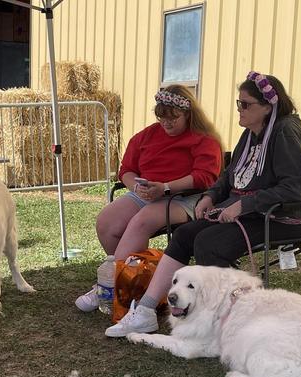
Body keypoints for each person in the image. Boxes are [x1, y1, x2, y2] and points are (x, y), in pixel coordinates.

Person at [105, 71, 301, 337]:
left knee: (210, 243)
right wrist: (209, 197)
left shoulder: (285, 132)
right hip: (252, 212)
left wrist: (243, 206)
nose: (239, 110)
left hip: (282, 218)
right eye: (238, 103)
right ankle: (146, 311)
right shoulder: (251, 135)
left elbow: (294, 188)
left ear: (267, 107)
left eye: (245, 104)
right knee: (185, 235)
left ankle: (223, 320)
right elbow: (228, 177)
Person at [75, 84, 223, 312]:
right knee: (107, 222)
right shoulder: (146, 136)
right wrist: (136, 185)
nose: (166, 123)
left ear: (188, 114)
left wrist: (164, 188)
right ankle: (136, 280)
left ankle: (109, 286)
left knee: (141, 221)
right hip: (148, 193)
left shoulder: (203, 140)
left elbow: (205, 177)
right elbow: (126, 170)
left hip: (186, 197)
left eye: (173, 118)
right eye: (162, 117)